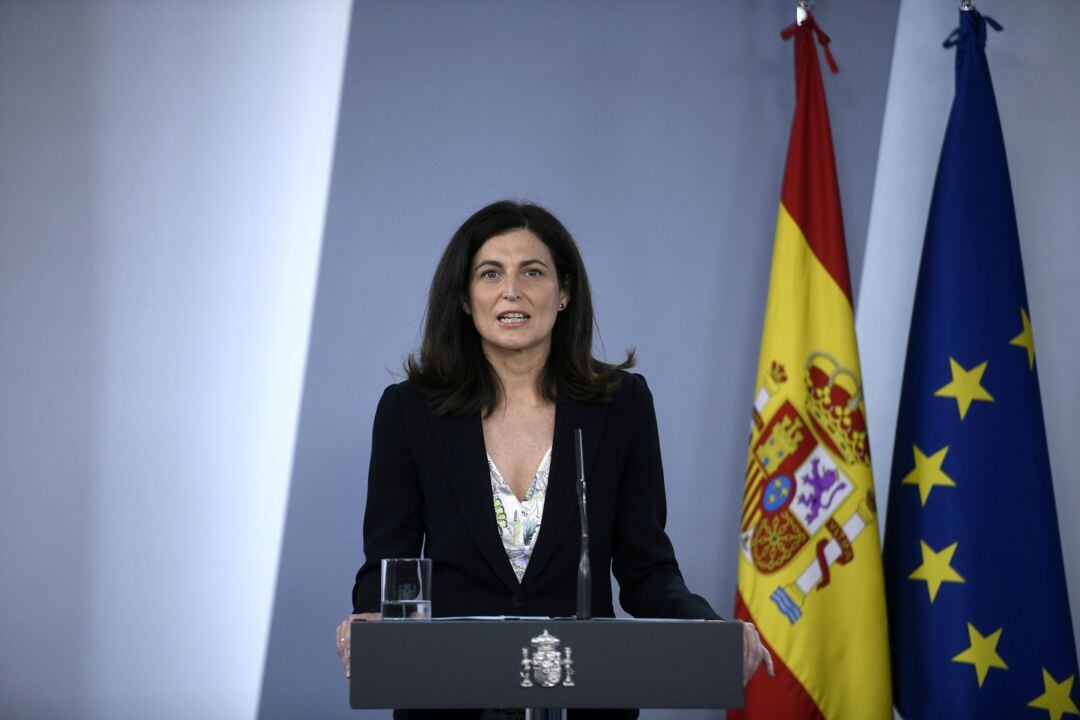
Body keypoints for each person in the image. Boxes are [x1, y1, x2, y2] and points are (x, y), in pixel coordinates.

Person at [335, 201, 774, 717]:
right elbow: (390, 561)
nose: (512, 291)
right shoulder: (410, 411)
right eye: (490, 273)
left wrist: (707, 628)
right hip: (449, 699)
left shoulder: (621, 405)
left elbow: (646, 566)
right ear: (463, 296)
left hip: (586, 696)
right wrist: (370, 615)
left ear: (564, 292)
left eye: (533, 272)